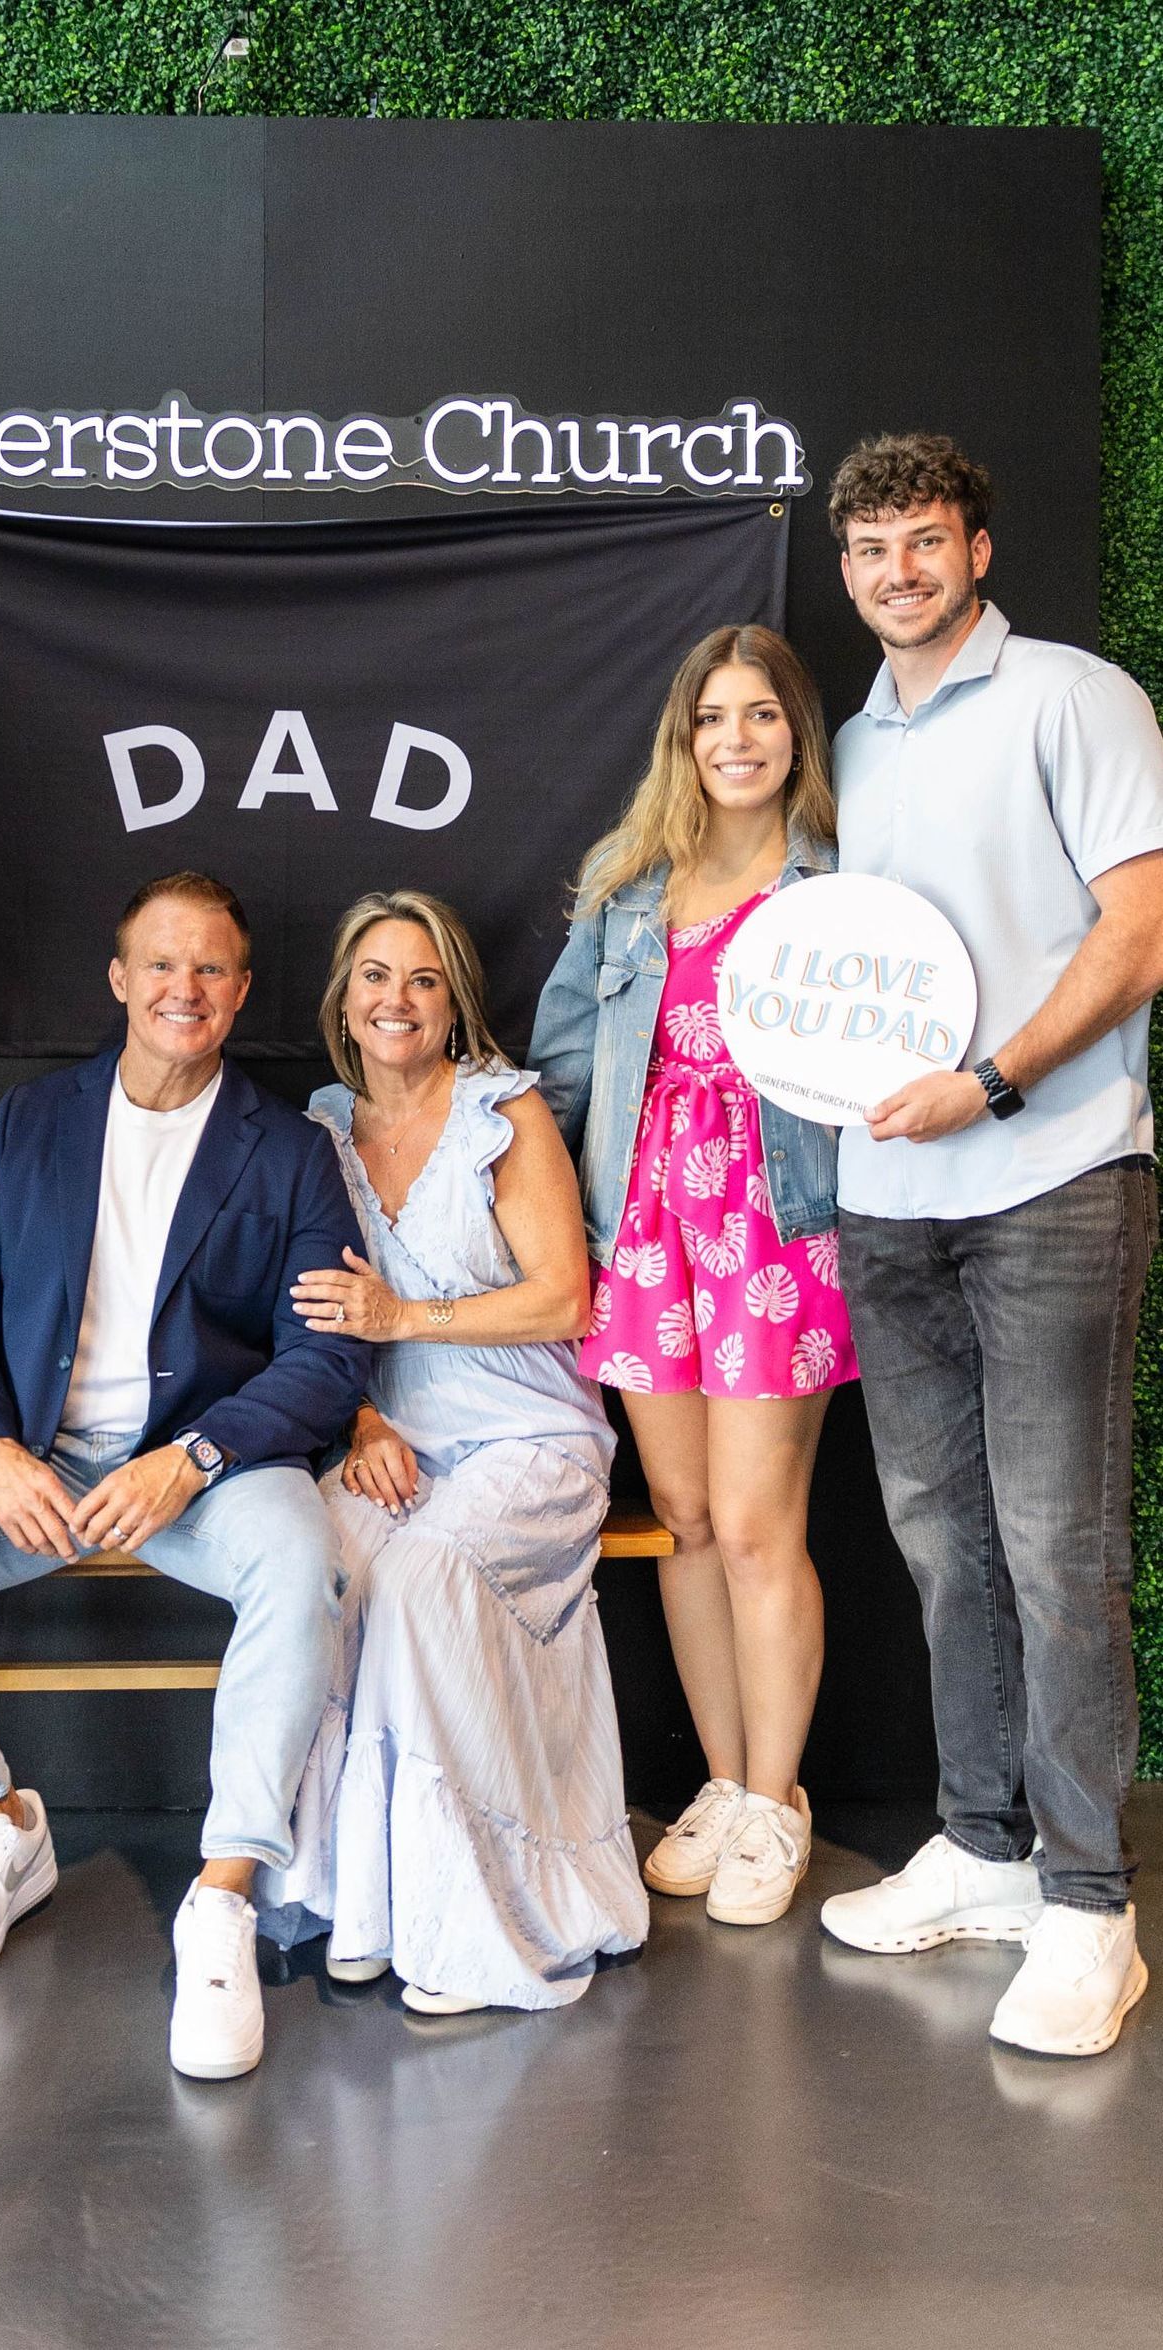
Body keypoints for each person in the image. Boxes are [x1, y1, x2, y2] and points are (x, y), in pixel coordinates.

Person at [0, 872, 367, 2080]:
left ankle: (224, 1894)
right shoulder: (31, 1122)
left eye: (212, 968)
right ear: (119, 979)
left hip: (201, 1469)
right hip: (25, 1458)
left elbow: (327, 1356)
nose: (186, 989)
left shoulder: (288, 1151)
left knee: (299, 1555)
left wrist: (196, 1457)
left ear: (240, 991)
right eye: (162, 965)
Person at [816, 433, 1163, 2057]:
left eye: (921, 542)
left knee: (1053, 1550)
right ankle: (985, 1848)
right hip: (888, 1209)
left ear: (976, 544)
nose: (897, 572)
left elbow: (1139, 928)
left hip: (1050, 1180)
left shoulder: (1072, 699)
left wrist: (995, 1080)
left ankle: (1092, 1911)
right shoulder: (847, 742)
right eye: (869, 549)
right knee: (943, 1546)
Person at [256, 891, 648, 2014]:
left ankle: (474, 1921)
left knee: (425, 1575)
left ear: (453, 1002)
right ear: (343, 999)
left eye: (422, 980)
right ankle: (365, 1904)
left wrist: (403, 1325)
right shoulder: (319, 1129)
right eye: (375, 976)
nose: (398, 1000)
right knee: (323, 1558)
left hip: (533, 1434)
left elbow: (565, 1298)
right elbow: (320, 1315)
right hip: (394, 1437)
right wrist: (364, 1419)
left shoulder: (502, 1114)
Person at [531, 626, 856, 1927]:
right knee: (686, 1513)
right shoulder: (630, 888)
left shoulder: (836, 881)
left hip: (777, 1222)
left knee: (762, 1517)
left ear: (797, 736)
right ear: (683, 736)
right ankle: (724, 1783)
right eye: (714, 716)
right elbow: (563, 1066)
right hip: (648, 1228)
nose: (738, 738)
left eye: (763, 715)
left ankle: (778, 1801)